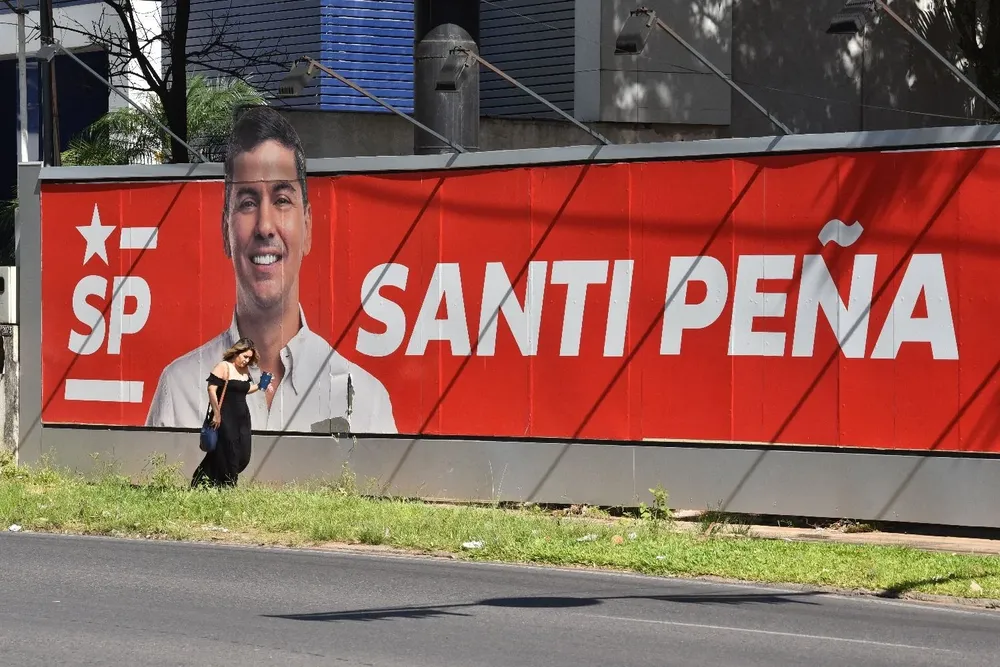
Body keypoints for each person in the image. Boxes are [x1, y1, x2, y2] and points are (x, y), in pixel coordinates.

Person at [145, 106, 397, 435]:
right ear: (225, 231)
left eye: (281, 200)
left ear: (306, 226)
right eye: (248, 203)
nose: (265, 226)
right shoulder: (179, 393)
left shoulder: (366, 402)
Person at [192, 337, 274, 488]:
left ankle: (203, 479)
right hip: (225, 416)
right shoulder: (224, 367)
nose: (246, 361)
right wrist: (217, 414)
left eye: (249, 358)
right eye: (245, 357)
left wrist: (263, 384)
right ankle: (228, 486)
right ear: (236, 353)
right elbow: (211, 389)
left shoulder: (244, 370)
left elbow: (244, 389)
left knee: (243, 454)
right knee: (230, 452)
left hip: (242, 416)